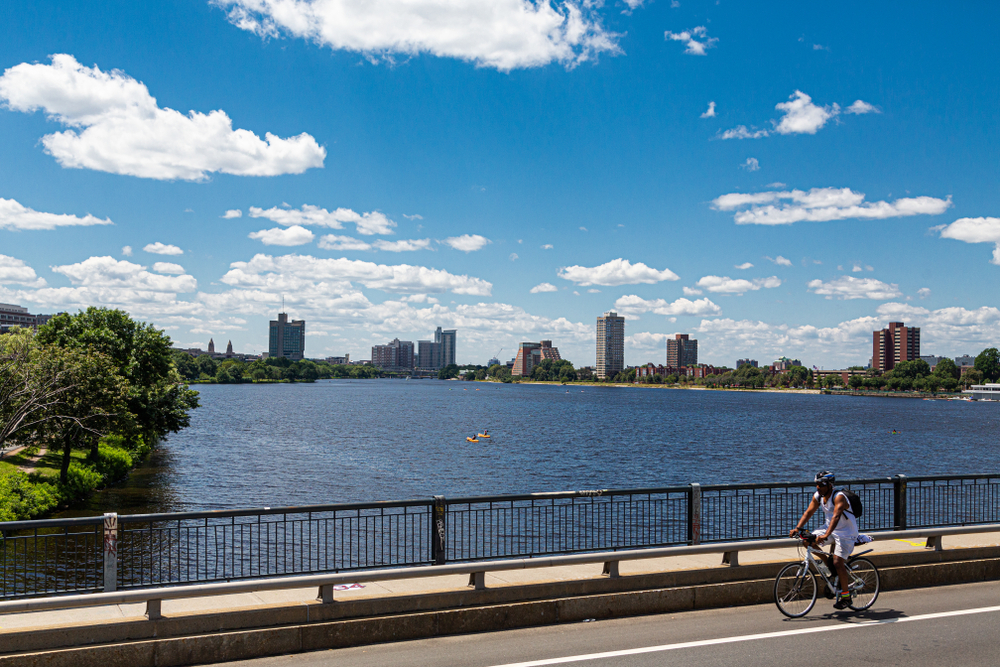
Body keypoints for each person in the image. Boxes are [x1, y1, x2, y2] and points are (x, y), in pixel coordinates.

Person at [790, 471, 859, 610]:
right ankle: (829, 566)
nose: (818, 487)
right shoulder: (818, 496)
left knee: (838, 562)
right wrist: (798, 528)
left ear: (829, 485)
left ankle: (846, 597)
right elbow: (808, 512)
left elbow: (836, 516)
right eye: (816, 484)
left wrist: (826, 535)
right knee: (807, 541)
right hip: (829, 529)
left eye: (821, 484)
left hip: (846, 532)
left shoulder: (839, 497)